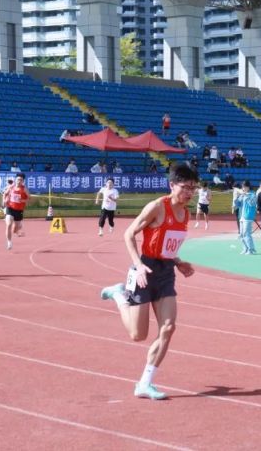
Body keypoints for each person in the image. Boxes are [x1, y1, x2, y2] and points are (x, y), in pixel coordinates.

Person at [99, 164, 199, 400]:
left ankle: (145, 383)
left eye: (193, 188)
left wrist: (177, 262)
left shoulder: (185, 213)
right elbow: (128, 234)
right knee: (138, 335)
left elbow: (167, 245)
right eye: (185, 187)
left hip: (166, 273)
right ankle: (119, 295)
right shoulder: (156, 207)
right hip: (144, 269)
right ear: (172, 185)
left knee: (168, 327)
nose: (189, 192)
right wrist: (138, 265)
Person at [2, 173, 29, 250]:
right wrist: (4, 201)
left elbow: (29, 198)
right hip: (10, 208)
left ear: (23, 181)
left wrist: (23, 200)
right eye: (18, 179)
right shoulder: (11, 187)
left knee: (14, 229)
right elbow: (5, 194)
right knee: (8, 224)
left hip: (19, 210)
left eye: (21, 180)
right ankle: (9, 242)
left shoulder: (24, 189)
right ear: (15, 180)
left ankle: (18, 228)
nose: (19, 181)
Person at [234, 180, 257, 254]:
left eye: (244, 187)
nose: (243, 188)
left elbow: (252, 204)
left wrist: (246, 196)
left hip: (248, 217)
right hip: (241, 216)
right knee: (241, 234)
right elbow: (237, 204)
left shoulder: (252, 194)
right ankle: (245, 248)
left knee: (246, 233)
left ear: (248, 187)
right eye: (242, 187)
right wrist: (237, 198)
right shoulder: (242, 195)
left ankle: (251, 249)